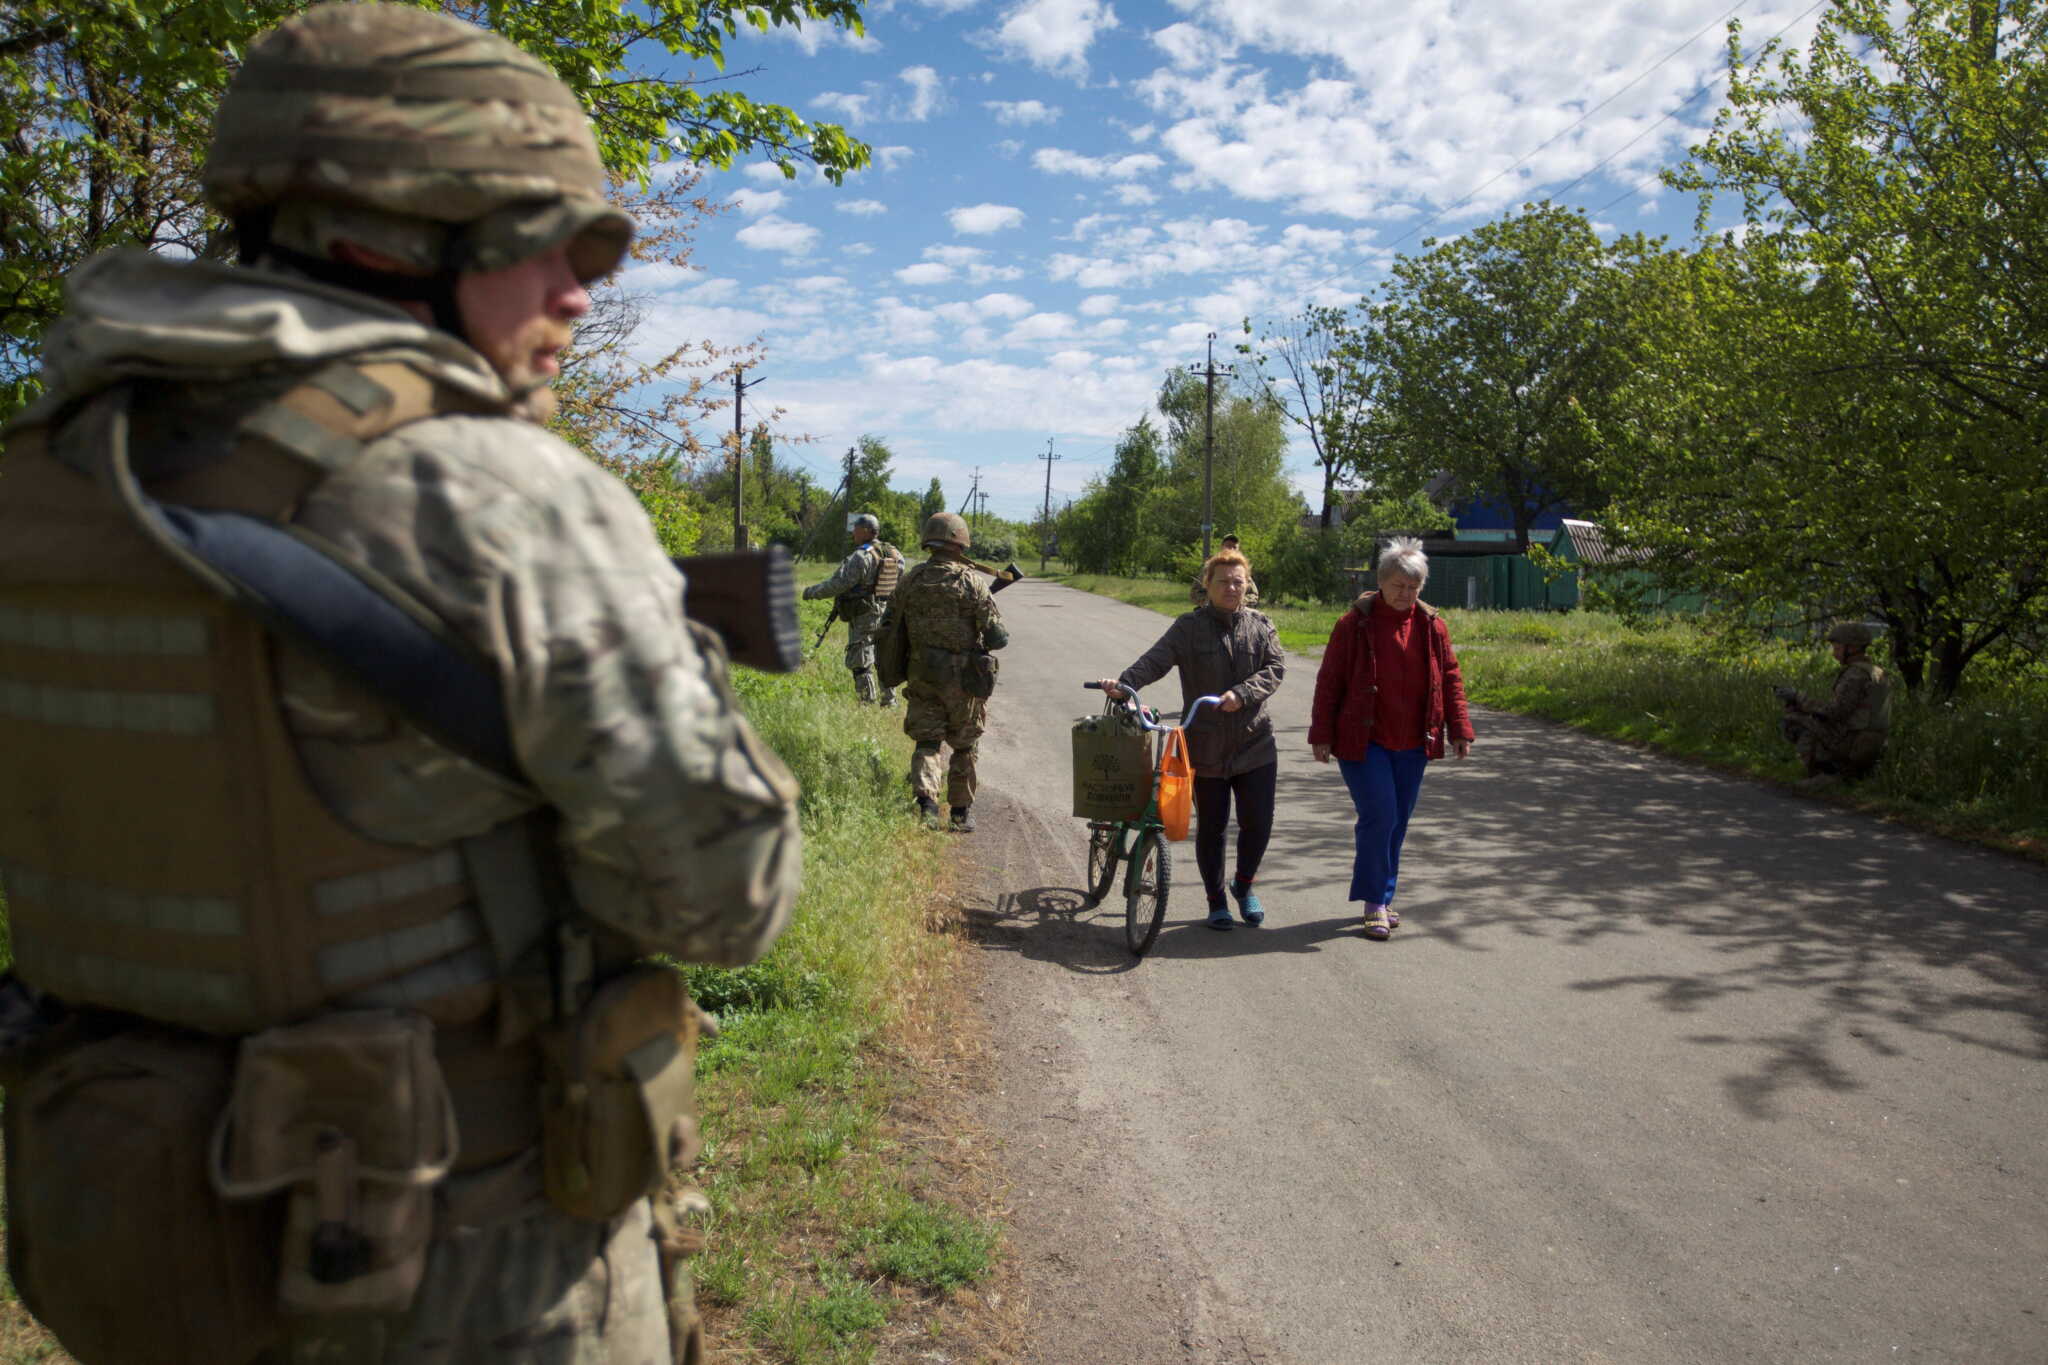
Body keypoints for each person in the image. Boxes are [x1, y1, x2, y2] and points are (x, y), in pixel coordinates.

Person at [0, 5, 800, 1362]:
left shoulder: (44, 482)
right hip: (464, 1265)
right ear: (387, 238)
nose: (582, 288)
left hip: (129, 1246)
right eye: (548, 236)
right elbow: (727, 901)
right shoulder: (494, 492)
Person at [1099, 549, 1285, 930]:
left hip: (1256, 744)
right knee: (1212, 827)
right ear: (1207, 586)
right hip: (1204, 747)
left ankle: (1244, 885)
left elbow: (1275, 667)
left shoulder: (1261, 624)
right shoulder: (1188, 627)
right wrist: (1124, 684)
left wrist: (1244, 693)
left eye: (1238, 580)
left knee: (1259, 823)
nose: (1232, 587)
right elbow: (1156, 660)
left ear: (1247, 584)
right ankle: (1216, 901)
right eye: (1223, 581)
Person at [1308, 537, 1473, 941]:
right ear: (1381, 581)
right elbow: (1330, 680)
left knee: (1397, 821)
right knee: (1380, 816)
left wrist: (1460, 728)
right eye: (1399, 585)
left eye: (1414, 586)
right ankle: (1374, 903)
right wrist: (1322, 733)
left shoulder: (1433, 626)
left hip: (1415, 741)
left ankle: (1383, 894)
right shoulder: (1355, 623)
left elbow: (1450, 678)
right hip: (1365, 741)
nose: (1406, 593)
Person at [892, 512, 1008, 832]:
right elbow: (999, 638)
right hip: (964, 681)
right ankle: (959, 814)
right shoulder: (972, 582)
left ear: (929, 542)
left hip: (922, 675)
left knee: (928, 742)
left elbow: (891, 627)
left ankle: (927, 807)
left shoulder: (911, 580)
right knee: (965, 744)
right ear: (960, 543)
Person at [802, 512, 902, 706]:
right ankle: (889, 701)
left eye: (855, 530)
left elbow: (838, 584)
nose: (852, 534)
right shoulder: (894, 553)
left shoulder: (861, 556)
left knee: (860, 658)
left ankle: (867, 701)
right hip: (887, 612)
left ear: (865, 531)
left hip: (865, 613)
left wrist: (811, 592)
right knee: (883, 657)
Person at [1777, 622, 1892, 784]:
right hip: (1873, 745)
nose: (1834, 654)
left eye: (1837, 649)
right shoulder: (1877, 672)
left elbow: (1836, 712)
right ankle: (1849, 772)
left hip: (1854, 744)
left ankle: (1828, 772)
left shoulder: (1855, 674)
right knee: (1810, 718)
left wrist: (1798, 698)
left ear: (1851, 648)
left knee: (1793, 721)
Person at [1188, 533, 1260, 608]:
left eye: (1234, 547)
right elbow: (1194, 593)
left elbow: (1253, 595)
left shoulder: (1241, 571)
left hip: (1237, 613)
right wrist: (1211, 603)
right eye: (1228, 546)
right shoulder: (1210, 568)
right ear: (1222, 547)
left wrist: (1238, 602)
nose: (1231, 549)